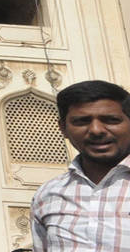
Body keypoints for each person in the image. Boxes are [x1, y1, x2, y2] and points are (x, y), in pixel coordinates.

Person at [31, 80, 130, 252]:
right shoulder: (49, 195)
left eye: (111, 120)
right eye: (82, 122)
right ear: (63, 128)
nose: (96, 130)